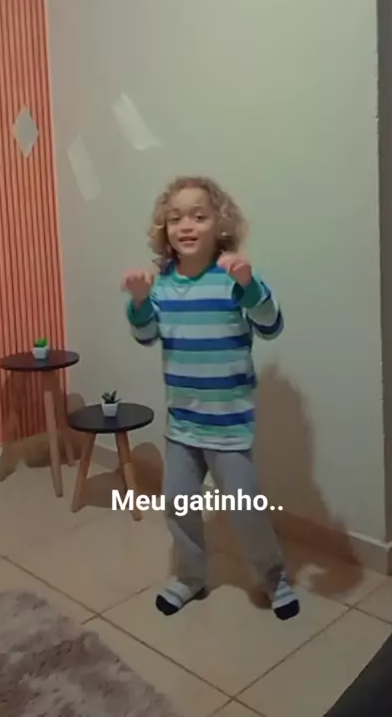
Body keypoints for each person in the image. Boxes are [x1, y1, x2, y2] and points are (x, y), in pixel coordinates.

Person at [121, 175, 299, 620]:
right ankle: (189, 576)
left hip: (229, 423)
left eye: (198, 216)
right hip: (182, 423)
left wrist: (249, 284)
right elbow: (146, 335)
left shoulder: (232, 278)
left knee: (245, 510)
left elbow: (271, 325)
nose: (186, 225)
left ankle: (274, 579)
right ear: (164, 229)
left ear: (220, 224)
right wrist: (139, 301)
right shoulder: (162, 284)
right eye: (175, 218)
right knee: (179, 506)